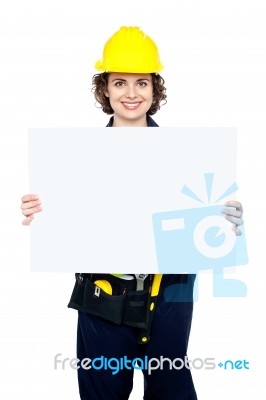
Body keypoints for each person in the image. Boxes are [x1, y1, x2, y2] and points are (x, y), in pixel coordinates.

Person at [21, 26, 244, 400]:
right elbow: (62, 229)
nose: (131, 93)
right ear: (104, 88)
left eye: (141, 83)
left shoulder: (188, 157)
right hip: (102, 300)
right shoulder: (72, 161)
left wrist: (227, 221)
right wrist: (38, 214)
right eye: (120, 82)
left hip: (168, 298)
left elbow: (205, 230)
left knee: (171, 390)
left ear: (155, 89)